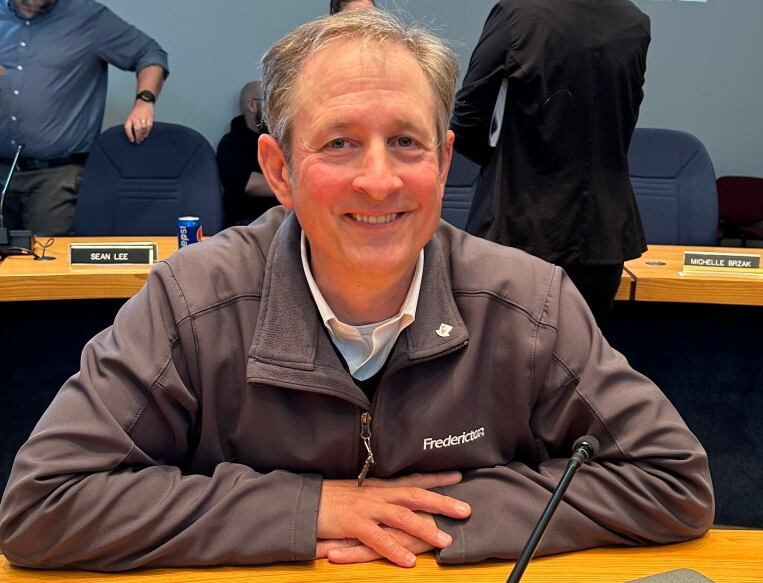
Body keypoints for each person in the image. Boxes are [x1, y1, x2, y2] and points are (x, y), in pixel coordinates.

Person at [0, 9, 712, 571]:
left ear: (442, 160)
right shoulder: (189, 300)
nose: (380, 180)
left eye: (406, 142)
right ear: (279, 170)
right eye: (339, 143)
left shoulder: (531, 300)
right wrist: (301, 509)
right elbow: (41, 505)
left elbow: (674, 480)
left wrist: (439, 512)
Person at [451, 0, 650, 325]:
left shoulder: (517, 13)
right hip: (602, 240)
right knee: (581, 368)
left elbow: (468, 118)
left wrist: (504, 165)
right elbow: (622, 124)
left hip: (519, 228)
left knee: (506, 368)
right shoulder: (635, 21)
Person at [0, 0, 169, 236]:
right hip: (2, 169)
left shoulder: (88, 17)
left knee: (49, 267)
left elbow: (150, 53)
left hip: (55, 177)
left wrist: (144, 101)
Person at [216, 81, 277, 227]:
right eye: (270, 100)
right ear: (252, 105)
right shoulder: (231, 143)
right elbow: (251, 184)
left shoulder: (281, 138)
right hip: (250, 225)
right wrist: (297, 187)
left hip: (288, 222)